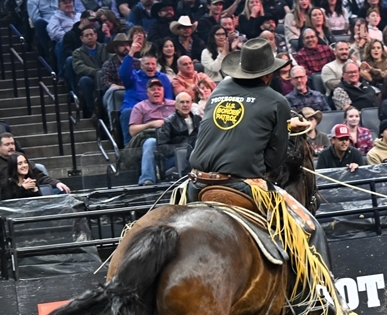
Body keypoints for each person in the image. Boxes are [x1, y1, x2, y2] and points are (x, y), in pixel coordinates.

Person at [187, 39, 290, 199]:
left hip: (196, 181)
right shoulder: (278, 101)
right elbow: (275, 159)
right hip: (238, 185)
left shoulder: (218, 90)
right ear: (269, 74)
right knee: (295, 221)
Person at [119, 32, 174, 143]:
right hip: (136, 112)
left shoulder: (163, 78)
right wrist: (132, 52)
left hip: (158, 112)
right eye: (147, 64)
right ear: (141, 65)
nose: (150, 66)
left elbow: (169, 99)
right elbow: (123, 73)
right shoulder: (134, 76)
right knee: (127, 112)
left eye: (153, 64)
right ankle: (129, 149)